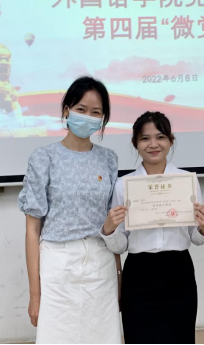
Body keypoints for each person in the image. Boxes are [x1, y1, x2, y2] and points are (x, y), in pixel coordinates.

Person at [19, 76, 121, 344]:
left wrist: (119, 274)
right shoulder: (44, 157)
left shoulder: (108, 159)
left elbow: (111, 224)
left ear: (103, 118)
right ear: (67, 110)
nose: (88, 116)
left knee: (102, 336)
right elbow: (32, 229)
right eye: (81, 109)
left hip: (101, 263)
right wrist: (35, 294)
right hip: (58, 261)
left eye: (96, 112)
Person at [101, 111, 204, 345]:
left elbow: (195, 237)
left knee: (180, 338)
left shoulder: (187, 181)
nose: (153, 144)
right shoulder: (123, 185)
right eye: (145, 138)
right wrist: (109, 229)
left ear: (171, 141)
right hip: (139, 274)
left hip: (178, 271)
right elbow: (120, 245)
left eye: (160, 137)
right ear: (135, 143)